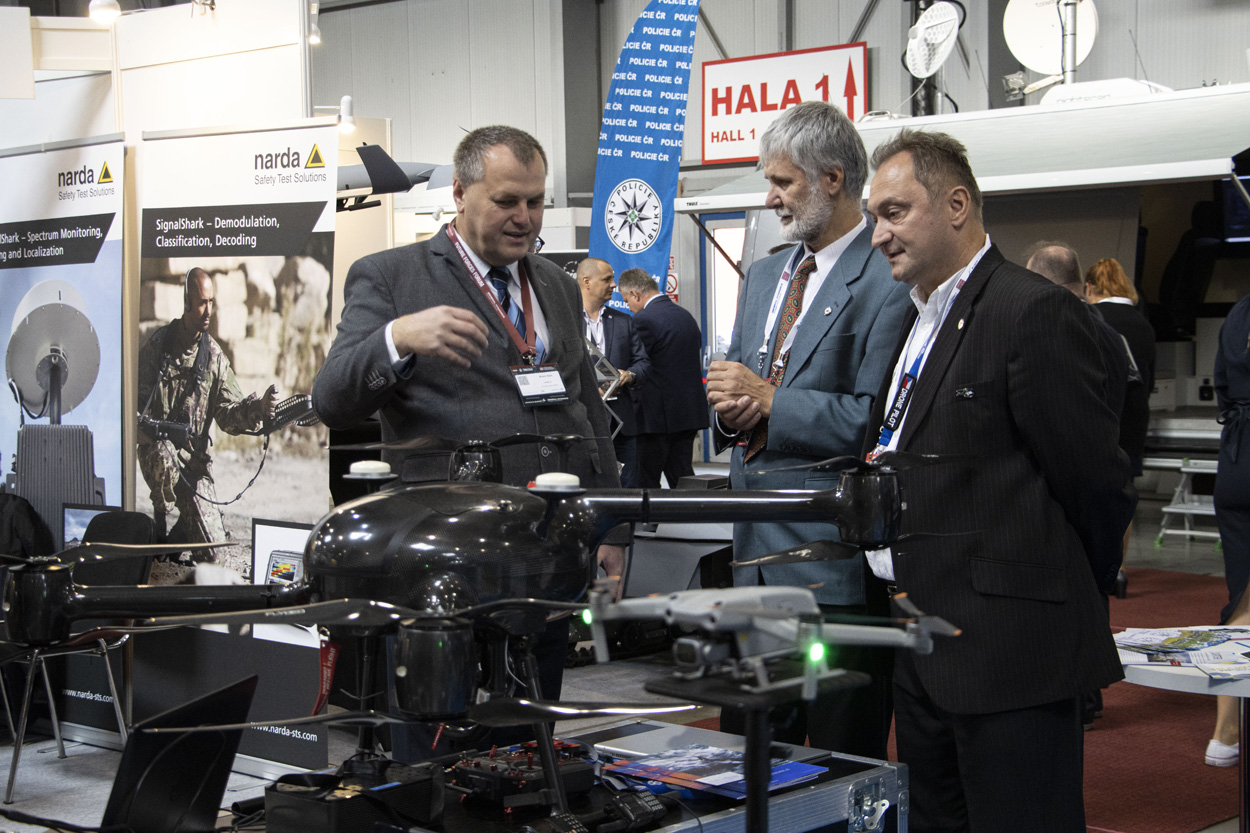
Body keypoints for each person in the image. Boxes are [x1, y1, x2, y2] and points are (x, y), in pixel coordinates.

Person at [311, 125, 627, 755]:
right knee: (436, 753)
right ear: (459, 192)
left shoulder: (556, 284)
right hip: (442, 564)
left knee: (528, 746)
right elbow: (332, 400)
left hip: (543, 552)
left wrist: (612, 525)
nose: (525, 218)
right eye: (507, 201)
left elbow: (587, 410)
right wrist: (398, 338)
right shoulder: (390, 277)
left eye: (535, 201)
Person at [863, 128, 1134, 833]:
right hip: (923, 644)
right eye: (873, 217)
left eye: (894, 212)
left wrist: (1052, 587)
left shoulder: (1031, 310)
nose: (878, 234)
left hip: (1013, 651)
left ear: (957, 205)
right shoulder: (915, 317)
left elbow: (1096, 483)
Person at [704, 100, 910, 759]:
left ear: (833, 179)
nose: (770, 199)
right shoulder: (767, 273)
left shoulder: (889, 279)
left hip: (832, 566)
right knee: (753, 757)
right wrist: (730, 408)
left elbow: (873, 422)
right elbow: (741, 383)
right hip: (752, 561)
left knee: (843, 759)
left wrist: (770, 400)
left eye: (782, 182)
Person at [137, 267, 278, 547]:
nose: (208, 311)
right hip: (158, 453)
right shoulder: (158, 346)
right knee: (164, 454)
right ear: (187, 302)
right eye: (202, 303)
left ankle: (183, 531)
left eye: (211, 302)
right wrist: (143, 432)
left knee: (214, 554)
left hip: (194, 465)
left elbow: (229, 415)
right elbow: (134, 405)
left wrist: (259, 408)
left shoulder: (214, 358)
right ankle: (159, 527)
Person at [617, 268, 709, 488]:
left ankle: (650, 514)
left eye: (627, 301)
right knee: (682, 477)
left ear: (635, 294)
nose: (628, 307)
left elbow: (636, 364)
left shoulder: (642, 320)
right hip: (687, 412)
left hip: (656, 417)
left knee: (645, 481)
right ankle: (698, 507)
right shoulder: (685, 316)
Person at [577, 257, 651, 487]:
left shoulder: (623, 321)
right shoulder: (566, 321)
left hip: (622, 424)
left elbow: (643, 363)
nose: (614, 285)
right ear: (586, 282)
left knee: (626, 488)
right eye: (607, 279)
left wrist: (630, 375)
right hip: (582, 422)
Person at [1085, 257, 1157, 480]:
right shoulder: (1144, 324)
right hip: (1133, 427)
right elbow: (1149, 381)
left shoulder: (1090, 319)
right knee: (1126, 494)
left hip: (1099, 429)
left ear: (1088, 287)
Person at [1214, 293, 1250, 626]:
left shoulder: (1238, 312)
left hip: (1238, 445)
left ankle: (1241, 621)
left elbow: (1221, 380)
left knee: (1238, 540)